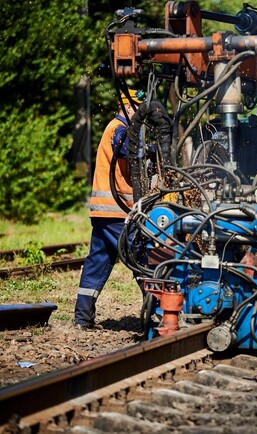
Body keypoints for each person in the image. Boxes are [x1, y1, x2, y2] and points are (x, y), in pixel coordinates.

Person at [74, 89, 145, 329]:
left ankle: (82, 319)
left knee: (97, 262)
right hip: (117, 211)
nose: (140, 113)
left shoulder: (117, 127)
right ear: (128, 106)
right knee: (140, 257)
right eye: (138, 107)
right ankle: (157, 310)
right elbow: (127, 154)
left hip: (104, 211)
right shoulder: (120, 128)